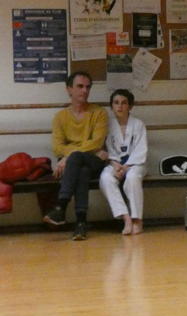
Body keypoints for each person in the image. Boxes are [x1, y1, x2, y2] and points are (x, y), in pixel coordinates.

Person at [42, 70, 109, 240]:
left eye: (88, 87)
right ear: (69, 89)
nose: (85, 90)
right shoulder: (60, 117)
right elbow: (57, 147)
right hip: (76, 164)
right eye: (80, 86)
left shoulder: (99, 113)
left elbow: (97, 142)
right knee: (82, 171)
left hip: (94, 161)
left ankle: (61, 207)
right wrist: (72, 156)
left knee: (77, 160)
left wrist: (69, 156)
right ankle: (80, 223)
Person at [98, 88, 148, 235]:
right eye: (116, 103)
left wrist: (126, 167)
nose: (120, 106)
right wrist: (115, 165)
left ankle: (137, 219)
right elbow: (107, 150)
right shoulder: (107, 125)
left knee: (132, 177)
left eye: (124, 103)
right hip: (114, 163)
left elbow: (141, 150)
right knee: (105, 178)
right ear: (111, 106)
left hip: (135, 164)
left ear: (130, 106)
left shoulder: (138, 124)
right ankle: (126, 217)